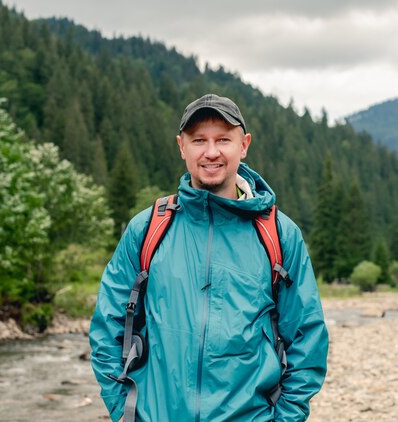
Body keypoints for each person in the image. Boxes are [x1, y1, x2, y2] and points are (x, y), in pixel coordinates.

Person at [90, 93, 329, 421]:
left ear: (243, 145)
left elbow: (307, 338)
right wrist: (124, 409)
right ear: (181, 146)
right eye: (199, 140)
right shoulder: (148, 229)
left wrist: (286, 418)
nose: (211, 152)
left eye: (223, 139)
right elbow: (108, 326)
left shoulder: (279, 235)